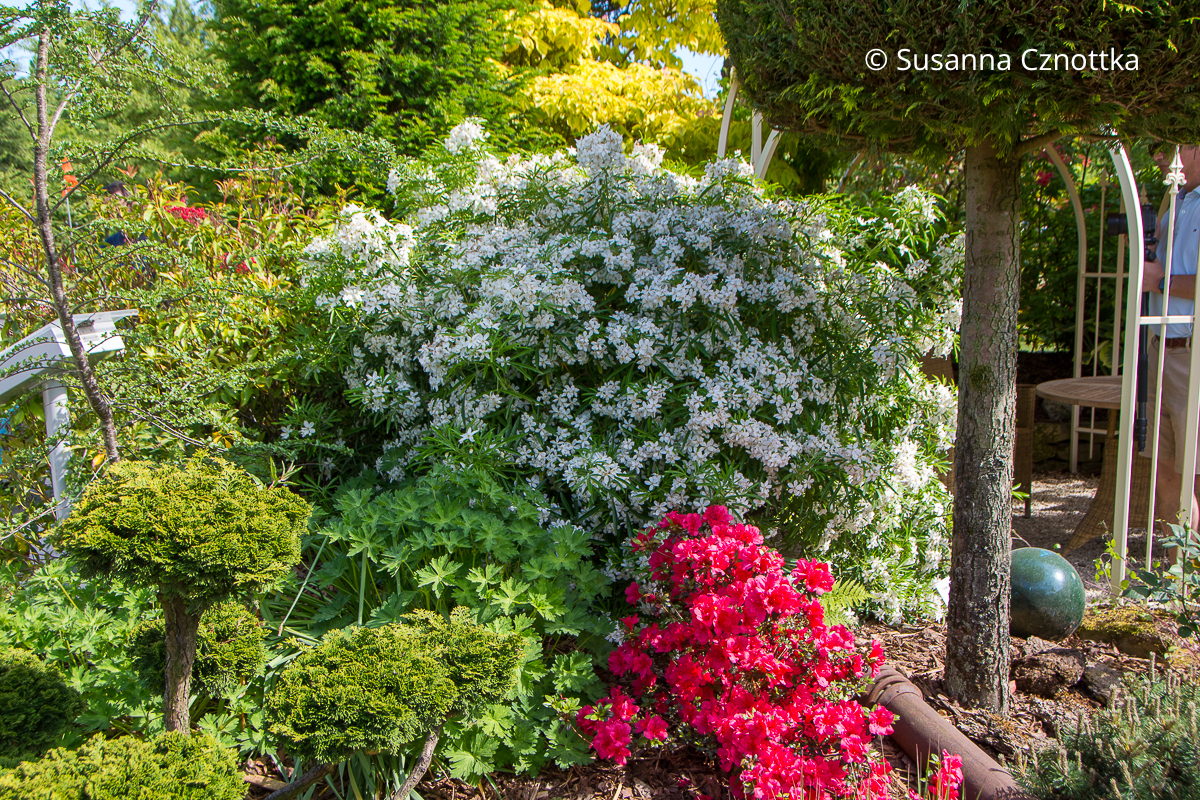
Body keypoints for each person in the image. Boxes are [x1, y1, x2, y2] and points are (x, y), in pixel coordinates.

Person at [1141, 143, 1200, 537]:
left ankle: (1187, 582)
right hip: (1159, 347)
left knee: (1191, 477)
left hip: (1191, 357)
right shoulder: (1175, 202)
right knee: (1164, 475)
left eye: (1167, 148)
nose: (1159, 157)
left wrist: (1158, 281)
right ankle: (1169, 578)